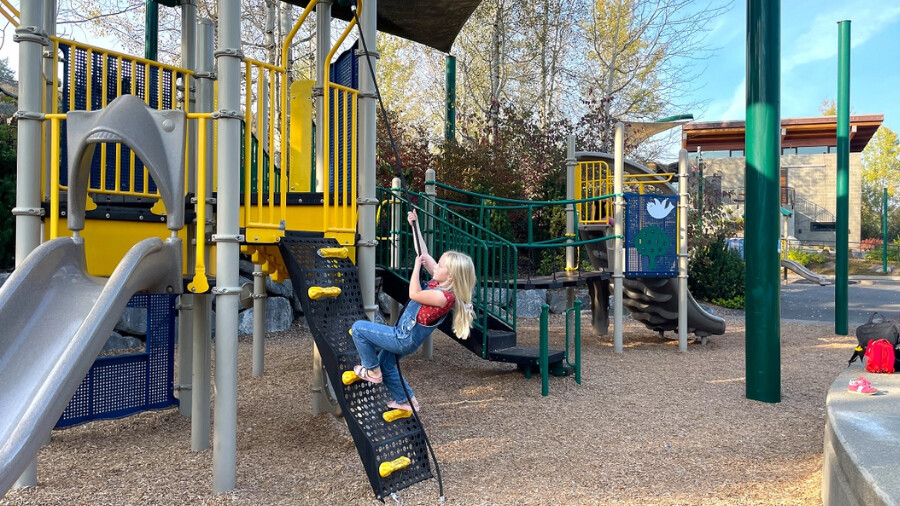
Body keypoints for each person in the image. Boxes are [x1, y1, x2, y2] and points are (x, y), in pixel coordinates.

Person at [349, 210, 476, 412]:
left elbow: (415, 293)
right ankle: (407, 401)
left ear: (450, 276)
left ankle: (372, 372)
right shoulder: (440, 281)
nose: (437, 266)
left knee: (358, 330)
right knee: (387, 364)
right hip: (406, 337)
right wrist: (415, 225)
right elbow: (423, 255)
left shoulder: (444, 297)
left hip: (403, 337)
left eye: (441, 265)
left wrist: (416, 269)